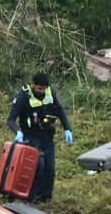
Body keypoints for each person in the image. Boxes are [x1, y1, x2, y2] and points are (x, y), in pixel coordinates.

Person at [5, 72, 73, 203]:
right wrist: (18, 132)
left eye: (44, 89)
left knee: (50, 168)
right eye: (39, 89)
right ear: (33, 85)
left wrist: (67, 128)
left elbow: (60, 111)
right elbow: (11, 120)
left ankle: (45, 197)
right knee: (38, 165)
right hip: (30, 135)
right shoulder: (23, 97)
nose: (41, 91)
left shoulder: (50, 93)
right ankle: (32, 196)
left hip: (46, 134)